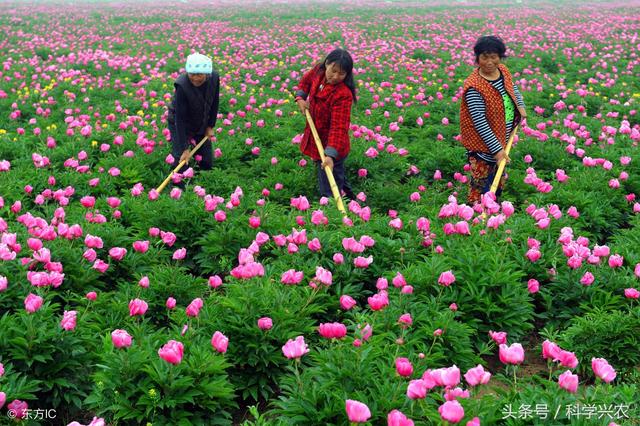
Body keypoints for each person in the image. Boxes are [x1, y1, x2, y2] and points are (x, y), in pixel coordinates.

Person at [459, 36, 526, 204]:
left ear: (500, 57)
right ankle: (476, 217)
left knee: (498, 181)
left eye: (494, 57)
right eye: (484, 57)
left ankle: (493, 212)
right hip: (482, 146)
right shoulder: (474, 87)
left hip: (502, 136)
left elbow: (512, 87)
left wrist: (521, 106)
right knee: (481, 186)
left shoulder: (502, 71)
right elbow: (480, 123)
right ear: (477, 58)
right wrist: (497, 151)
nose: (489, 62)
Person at [294, 48, 356, 201]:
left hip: (333, 144)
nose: (335, 77)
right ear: (326, 64)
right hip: (317, 136)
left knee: (328, 183)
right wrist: (301, 98)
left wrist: (330, 155)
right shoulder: (318, 71)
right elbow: (305, 82)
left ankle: (331, 209)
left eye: (341, 74)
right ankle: (351, 199)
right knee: (336, 176)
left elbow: (339, 127)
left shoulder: (343, 94)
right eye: (333, 71)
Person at [167, 53, 220, 182]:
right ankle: (178, 189)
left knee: (206, 161)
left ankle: (203, 184)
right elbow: (180, 119)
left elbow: (214, 102)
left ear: (207, 73)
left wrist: (210, 125)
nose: (195, 78)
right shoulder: (182, 86)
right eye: (192, 74)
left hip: (201, 120)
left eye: (199, 74)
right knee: (182, 161)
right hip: (179, 122)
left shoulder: (214, 78)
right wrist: (184, 148)